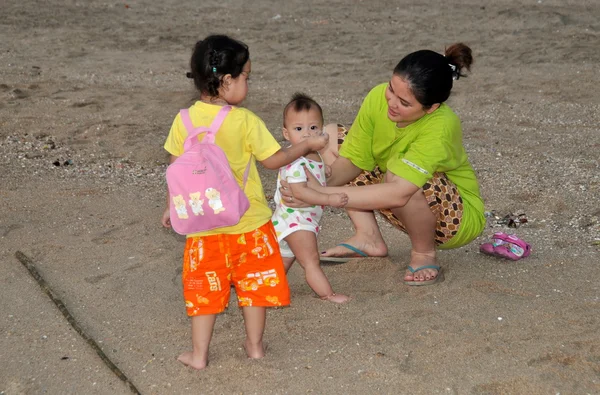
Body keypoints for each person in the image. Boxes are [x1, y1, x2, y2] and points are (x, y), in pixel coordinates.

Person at [161, 35, 329, 370]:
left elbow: (174, 167)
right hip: (249, 223)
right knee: (253, 289)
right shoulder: (245, 121)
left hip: (203, 225)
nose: (248, 84)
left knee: (204, 295)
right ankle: (254, 347)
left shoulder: (183, 120)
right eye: (246, 77)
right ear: (226, 81)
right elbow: (274, 160)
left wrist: (171, 205)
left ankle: (199, 355)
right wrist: (309, 145)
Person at [281, 43, 485, 286]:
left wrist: (319, 195)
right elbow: (354, 160)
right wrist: (308, 184)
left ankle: (423, 253)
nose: (391, 102)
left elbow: (399, 194)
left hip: (452, 217)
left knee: (404, 179)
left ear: (431, 108)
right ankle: (368, 238)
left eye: (405, 103)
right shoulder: (379, 96)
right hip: (396, 188)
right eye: (391, 89)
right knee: (329, 137)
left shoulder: (442, 126)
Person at [272, 93, 350, 304]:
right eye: (299, 129)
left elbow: (313, 175)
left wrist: (323, 170)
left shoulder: (313, 157)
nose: (307, 134)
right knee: (311, 261)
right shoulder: (296, 161)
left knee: (283, 260)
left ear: (322, 131)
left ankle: (267, 290)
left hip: (293, 220)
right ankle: (327, 294)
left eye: (313, 128)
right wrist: (329, 199)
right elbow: (300, 192)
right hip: (297, 220)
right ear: (286, 133)